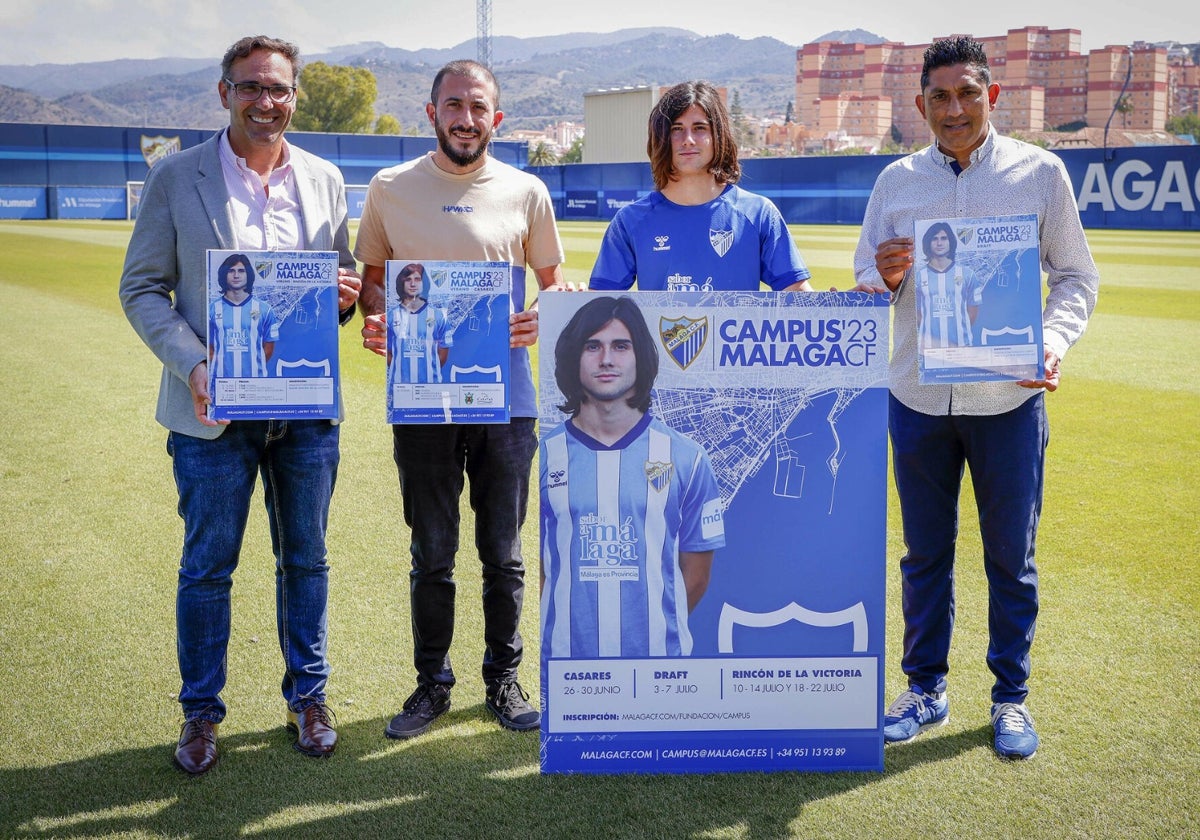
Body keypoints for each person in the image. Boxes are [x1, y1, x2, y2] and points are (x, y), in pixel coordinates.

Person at [119, 35, 362, 775]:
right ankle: (200, 715)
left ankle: (309, 698)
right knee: (207, 568)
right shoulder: (176, 178)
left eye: (280, 89)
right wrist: (194, 363)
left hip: (305, 414)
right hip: (211, 415)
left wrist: (345, 299)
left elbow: (336, 285)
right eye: (251, 87)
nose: (267, 101)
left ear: (295, 97)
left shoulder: (323, 179)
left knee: (308, 562)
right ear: (223, 92)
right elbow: (141, 289)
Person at [853, 36, 1098, 759]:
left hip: (1008, 405)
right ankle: (924, 688)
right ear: (921, 103)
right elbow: (865, 279)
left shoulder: (1040, 173)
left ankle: (1009, 698)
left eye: (968, 94)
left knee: (1010, 559)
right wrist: (885, 275)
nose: (954, 108)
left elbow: (1076, 279)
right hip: (918, 400)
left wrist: (1049, 342)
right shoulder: (896, 181)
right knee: (924, 554)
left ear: (993, 96)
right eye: (939, 96)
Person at [354, 59, 565, 738]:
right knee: (432, 551)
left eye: (478, 107)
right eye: (453, 105)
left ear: (495, 118)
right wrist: (378, 318)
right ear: (432, 112)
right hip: (423, 400)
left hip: (509, 400)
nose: (465, 118)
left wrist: (542, 314)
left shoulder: (527, 190)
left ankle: (503, 679)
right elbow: (374, 286)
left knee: (502, 551)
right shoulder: (390, 188)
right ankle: (430, 685)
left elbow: (554, 286)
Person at [540, 296, 725, 658]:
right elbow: (540, 569)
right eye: (592, 346)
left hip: (661, 670)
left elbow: (697, 573)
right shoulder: (542, 455)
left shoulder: (687, 456)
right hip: (564, 668)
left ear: (640, 356)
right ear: (573, 358)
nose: (606, 359)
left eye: (620, 346)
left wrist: (652, 632)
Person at [589, 80, 813, 293]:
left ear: (719, 136)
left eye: (699, 128)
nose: (688, 139)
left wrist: (839, 308)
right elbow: (598, 306)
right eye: (676, 129)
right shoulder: (630, 221)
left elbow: (797, 297)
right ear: (660, 139)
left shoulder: (759, 214)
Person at [208, 252, 280, 380]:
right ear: (224, 275)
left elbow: (268, 348)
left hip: (255, 384)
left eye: (241, 271)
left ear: (248, 275)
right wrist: (223, 367)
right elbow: (209, 347)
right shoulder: (212, 309)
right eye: (231, 271)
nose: (236, 275)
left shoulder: (265, 309)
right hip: (221, 384)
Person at [914, 221, 982, 352]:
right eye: (934, 239)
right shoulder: (919, 277)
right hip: (929, 350)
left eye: (944, 238)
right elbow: (918, 313)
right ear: (928, 243)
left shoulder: (967, 274)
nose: (939, 243)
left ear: (951, 241)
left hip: (962, 348)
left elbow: (972, 312)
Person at [387, 262, 452, 385]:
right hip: (400, 388)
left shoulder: (438, 316)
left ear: (424, 283)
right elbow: (389, 355)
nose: (412, 284)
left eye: (417, 279)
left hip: (431, 389)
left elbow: (442, 356)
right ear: (402, 283)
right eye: (408, 280)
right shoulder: (391, 315)